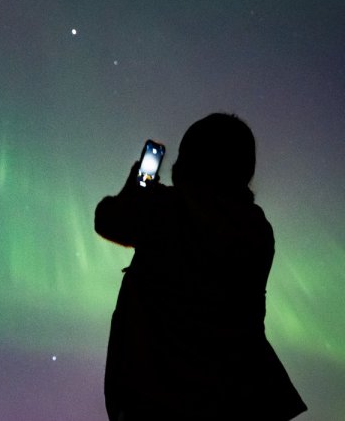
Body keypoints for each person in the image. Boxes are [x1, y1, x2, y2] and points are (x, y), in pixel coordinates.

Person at [94, 113, 307, 421]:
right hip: (238, 396)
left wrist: (138, 187)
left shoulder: (167, 207)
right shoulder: (257, 227)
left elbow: (109, 219)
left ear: (189, 161)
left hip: (161, 394)